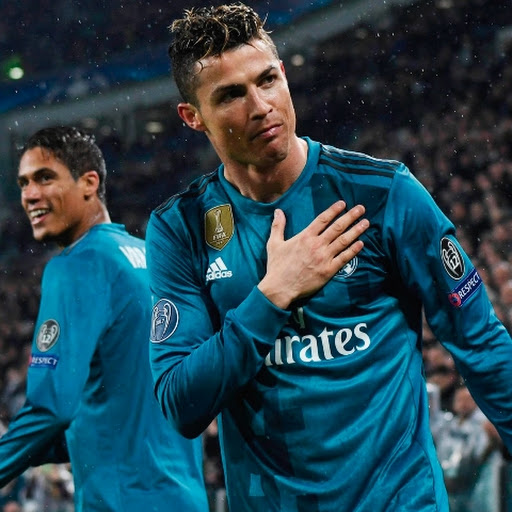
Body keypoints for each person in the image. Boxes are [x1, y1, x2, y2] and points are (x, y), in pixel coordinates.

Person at [145, 4, 512, 511]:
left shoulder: (383, 194)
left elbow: (483, 346)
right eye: (231, 95)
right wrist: (273, 295)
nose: (261, 106)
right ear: (193, 117)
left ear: (284, 75)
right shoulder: (181, 227)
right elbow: (180, 404)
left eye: (267, 80)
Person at [0, 126, 209, 512]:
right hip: (183, 496)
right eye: (24, 183)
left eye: (45, 178)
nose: (29, 194)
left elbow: (51, 409)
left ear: (89, 182)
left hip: (122, 501)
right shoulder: (151, 258)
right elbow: (126, 415)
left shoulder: (77, 265)